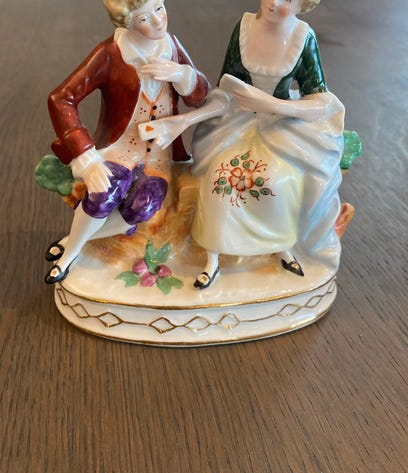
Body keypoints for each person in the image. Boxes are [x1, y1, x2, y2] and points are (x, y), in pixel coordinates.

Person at [140, 0, 345, 289]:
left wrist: (273, 105)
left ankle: (282, 247)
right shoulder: (245, 28)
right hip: (237, 122)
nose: (274, 3)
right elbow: (226, 91)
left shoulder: (304, 38)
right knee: (221, 178)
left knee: (278, 178)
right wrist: (184, 121)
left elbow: (320, 99)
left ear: (302, 4)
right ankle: (212, 259)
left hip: (281, 125)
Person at [43, 0, 209, 284]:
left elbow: (200, 97)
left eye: (159, 8)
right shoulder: (111, 53)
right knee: (103, 195)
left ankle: (73, 241)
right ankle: (68, 258)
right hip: (119, 149)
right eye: (144, 18)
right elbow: (61, 98)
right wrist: (87, 157)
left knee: (143, 206)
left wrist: (184, 75)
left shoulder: (170, 45)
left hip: (157, 155)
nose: (158, 21)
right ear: (126, 22)